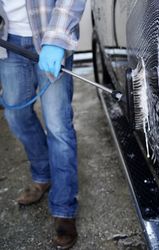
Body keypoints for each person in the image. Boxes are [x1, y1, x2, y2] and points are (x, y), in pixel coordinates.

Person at [0, 1, 86, 249]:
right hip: (9, 41)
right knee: (16, 116)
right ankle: (43, 174)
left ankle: (64, 209)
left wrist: (57, 41)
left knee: (58, 127)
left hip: (50, 37)